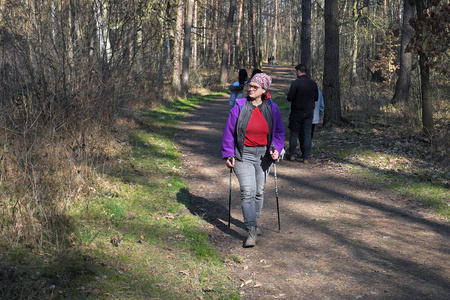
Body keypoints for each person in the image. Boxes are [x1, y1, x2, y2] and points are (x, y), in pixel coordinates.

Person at [222, 73, 285, 247]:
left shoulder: (272, 108)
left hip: (264, 155)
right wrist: (229, 154)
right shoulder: (239, 106)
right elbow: (229, 132)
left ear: (264, 90)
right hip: (243, 155)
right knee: (247, 192)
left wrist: (277, 149)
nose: (250, 89)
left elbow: (279, 132)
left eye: (255, 87)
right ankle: (251, 229)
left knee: (259, 191)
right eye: (250, 86)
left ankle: (253, 218)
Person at [285, 64, 318, 163]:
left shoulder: (295, 83)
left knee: (294, 133)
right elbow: (316, 98)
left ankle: (292, 155)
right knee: (307, 134)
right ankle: (305, 157)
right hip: (309, 112)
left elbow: (290, 98)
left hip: (296, 112)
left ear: (299, 72)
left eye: (296, 72)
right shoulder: (313, 83)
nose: (296, 73)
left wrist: (287, 96)